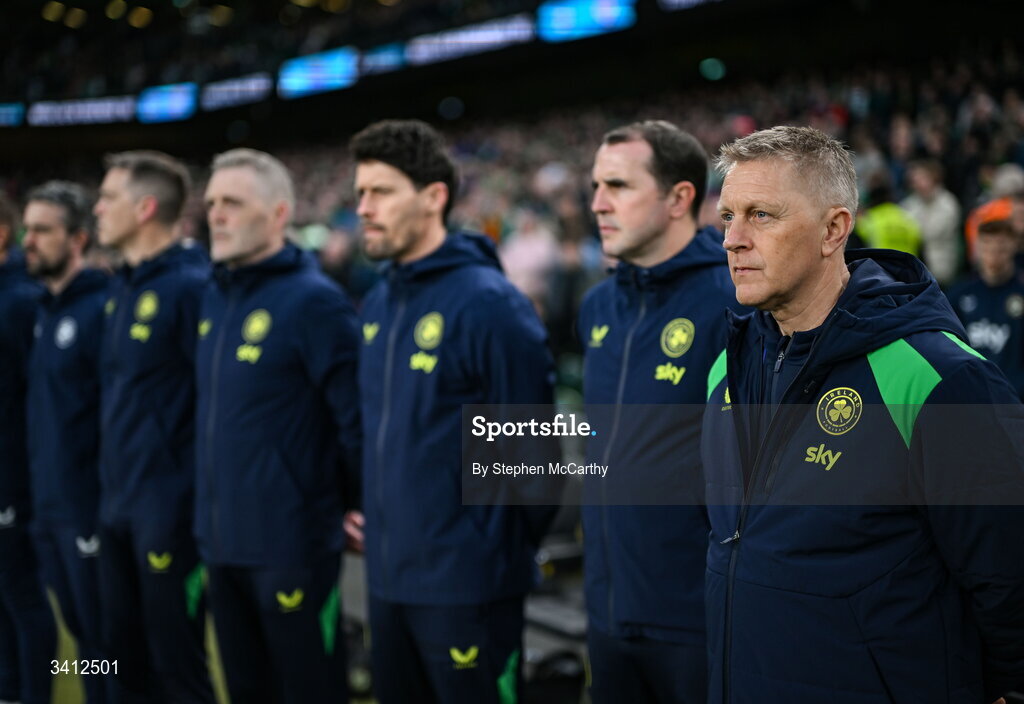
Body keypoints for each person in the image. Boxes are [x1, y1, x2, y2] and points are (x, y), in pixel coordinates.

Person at [704, 125, 1024, 703]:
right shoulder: (724, 367)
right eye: (728, 215)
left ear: (834, 230)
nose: (732, 239)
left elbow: (1009, 578)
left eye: (761, 215)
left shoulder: (938, 376)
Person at [348, 119, 559, 704]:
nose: (363, 207)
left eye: (381, 192)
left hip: (468, 589)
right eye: (360, 193)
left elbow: (533, 466)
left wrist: (482, 550)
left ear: (434, 197)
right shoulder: (380, 301)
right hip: (388, 584)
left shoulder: (490, 305)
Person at [578, 120, 738, 703]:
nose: (597, 203)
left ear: (679, 198)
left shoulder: (734, 302)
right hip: (606, 611)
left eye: (618, 186)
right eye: (596, 185)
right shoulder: (598, 305)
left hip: (697, 622)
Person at [195, 148, 360, 703]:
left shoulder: (315, 303)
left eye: (233, 203)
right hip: (220, 546)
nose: (216, 214)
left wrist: (351, 505)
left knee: (309, 690)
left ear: (279, 215)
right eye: (212, 202)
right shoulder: (213, 298)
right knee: (244, 691)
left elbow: (354, 420)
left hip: (292, 547)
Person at [93, 151, 215, 703]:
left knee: (176, 664)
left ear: (145, 208)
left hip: (168, 512)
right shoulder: (120, 288)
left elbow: (214, 403)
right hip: (115, 506)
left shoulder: (193, 287)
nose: (97, 208)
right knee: (109, 657)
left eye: (108, 197)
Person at [22, 181, 111, 703]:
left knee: (104, 642)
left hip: (88, 513)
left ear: (77, 238)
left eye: (43, 231)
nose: (29, 241)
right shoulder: (45, 310)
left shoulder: (100, 309)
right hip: (48, 508)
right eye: (28, 228)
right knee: (79, 637)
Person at [0, 193, 56, 704]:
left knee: (23, 597)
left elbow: (36, 399)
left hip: (14, 479)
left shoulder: (20, 301)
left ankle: (36, 691)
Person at [947, 206, 1024, 400]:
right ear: (978, 246)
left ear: (1014, 245)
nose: (993, 251)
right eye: (987, 244)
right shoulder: (960, 294)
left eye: (1000, 244)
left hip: (1014, 399)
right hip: (971, 398)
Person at [900, 159, 962, 286]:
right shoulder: (909, 203)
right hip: (914, 270)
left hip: (941, 270)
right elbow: (902, 228)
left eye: (921, 178)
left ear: (934, 177)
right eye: (915, 179)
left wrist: (911, 229)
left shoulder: (948, 203)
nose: (917, 183)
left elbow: (930, 233)